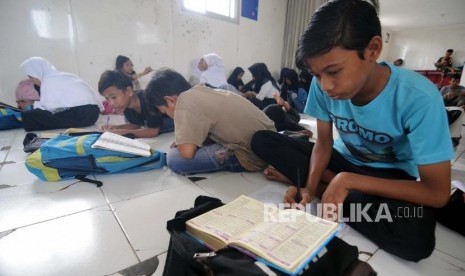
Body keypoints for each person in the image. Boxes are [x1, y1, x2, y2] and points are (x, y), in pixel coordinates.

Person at [251, 0, 453, 262]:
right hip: (341, 160)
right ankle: (331, 189)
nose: (325, 86)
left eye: (333, 71)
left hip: (391, 179)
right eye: (317, 74)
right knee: (262, 140)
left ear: (373, 49)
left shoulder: (419, 98)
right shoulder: (323, 84)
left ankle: (336, 187)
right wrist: (308, 190)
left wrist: (347, 180)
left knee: (416, 237)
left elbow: (437, 193)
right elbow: (323, 143)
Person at [145, 68, 276, 175]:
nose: (168, 116)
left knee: (174, 159)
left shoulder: (184, 100)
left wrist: (183, 142)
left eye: (164, 112)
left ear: (170, 100)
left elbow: (187, 153)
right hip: (270, 143)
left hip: (251, 155)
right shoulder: (200, 90)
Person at [20, 57, 103, 131]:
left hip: (81, 116)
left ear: (37, 73)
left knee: (29, 116)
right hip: (93, 115)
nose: (32, 80)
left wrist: (33, 106)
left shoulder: (48, 81)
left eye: (31, 77)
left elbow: (52, 109)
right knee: (33, 114)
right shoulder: (63, 76)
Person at [97, 70, 174, 138]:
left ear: (129, 91)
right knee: (136, 122)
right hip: (148, 121)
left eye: (113, 97)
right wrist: (115, 128)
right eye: (107, 99)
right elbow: (136, 124)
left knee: (155, 125)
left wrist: (123, 133)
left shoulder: (148, 100)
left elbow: (153, 132)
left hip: (171, 119)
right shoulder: (126, 106)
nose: (111, 103)